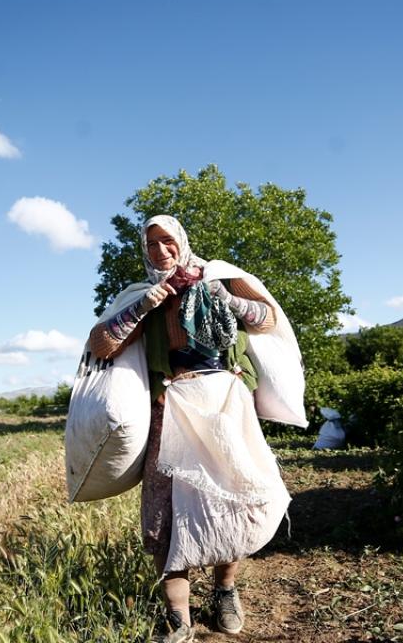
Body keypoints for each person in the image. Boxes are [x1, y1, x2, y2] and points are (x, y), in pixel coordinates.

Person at [87, 215, 280, 642]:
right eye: (151, 244)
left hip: (226, 406)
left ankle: (225, 590)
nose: (161, 251)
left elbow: (267, 319)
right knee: (165, 512)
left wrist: (223, 297)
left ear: (181, 241)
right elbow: (101, 345)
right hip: (172, 409)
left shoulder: (218, 276)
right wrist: (146, 304)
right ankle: (179, 616)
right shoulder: (143, 295)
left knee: (231, 499)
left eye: (167, 241)